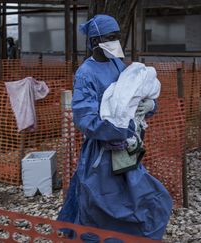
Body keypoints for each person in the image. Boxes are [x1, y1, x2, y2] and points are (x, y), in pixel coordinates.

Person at [57, 14, 172, 241]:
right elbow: (85, 118)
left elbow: (134, 94)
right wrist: (118, 130)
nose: (115, 43)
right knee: (98, 206)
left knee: (142, 199)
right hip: (101, 154)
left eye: (117, 37)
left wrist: (149, 105)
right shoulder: (86, 74)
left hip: (126, 153)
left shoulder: (117, 64)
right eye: (110, 38)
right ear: (94, 41)